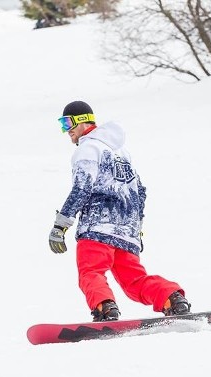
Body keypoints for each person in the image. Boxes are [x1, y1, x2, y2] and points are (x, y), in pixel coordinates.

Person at [48, 101, 190, 322]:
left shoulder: (88, 148)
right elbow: (139, 191)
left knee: (91, 272)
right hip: (125, 231)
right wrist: (136, 230)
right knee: (134, 281)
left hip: (97, 227)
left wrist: (60, 225)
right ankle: (171, 299)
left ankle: (105, 309)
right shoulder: (121, 151)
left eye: (67, 123)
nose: (66, 131)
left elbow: (82, 186)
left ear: (83, 120)